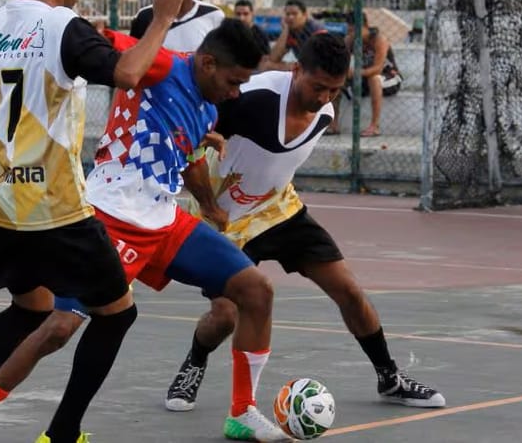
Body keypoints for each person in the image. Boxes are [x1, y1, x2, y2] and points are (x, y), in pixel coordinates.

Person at [0, 0, 192, 443]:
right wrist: (162, 17)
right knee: (116, 314)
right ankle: (62, 433)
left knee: (32, 308)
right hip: (54, 207)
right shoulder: (62, 27)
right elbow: (131, 72)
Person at [0, 19, 291, 442]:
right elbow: (107, 45)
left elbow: (187, 156)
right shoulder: (160, 65)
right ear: (208, 63)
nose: (236, 93)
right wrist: (114, 29)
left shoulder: (209, 107)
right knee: (59, 328)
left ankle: (242, 411)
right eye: (233, 81)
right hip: (111, 215)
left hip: (164, 218)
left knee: (257, 290)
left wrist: (210, 205)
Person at [162, 32, 446, 415]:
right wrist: (210, 206)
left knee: (349, 291)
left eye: (334, 89)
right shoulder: (252, 98)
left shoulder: (326, 111)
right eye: (318, 87)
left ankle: (389, 377)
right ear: (296, 71)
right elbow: (193, 147)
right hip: (226, 217)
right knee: (226, 314)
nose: (325, 98)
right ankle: (195, 360)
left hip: (280, 208)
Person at [329, 12, 402, 137]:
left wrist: (356, 73)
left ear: (365, 26)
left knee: (374, 78)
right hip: (363, 78)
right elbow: (341, 63)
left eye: (355, 30)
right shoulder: (350, 40)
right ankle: (333, 124)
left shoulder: (379, 39)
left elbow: (378, 69)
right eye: (350, 30)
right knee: (335, 80)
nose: (352, 34)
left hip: (388, 77)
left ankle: (374, 126)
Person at [266, 0, 323, 70]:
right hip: (303, 67)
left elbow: (322, 60)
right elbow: (273, 58)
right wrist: (285, 30)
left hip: (319, 68)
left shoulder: (316, 29)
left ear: (305, 15)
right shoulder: (291, 31)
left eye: (294, 14)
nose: (290, 17)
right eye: (288, 14)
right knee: (268, 65)